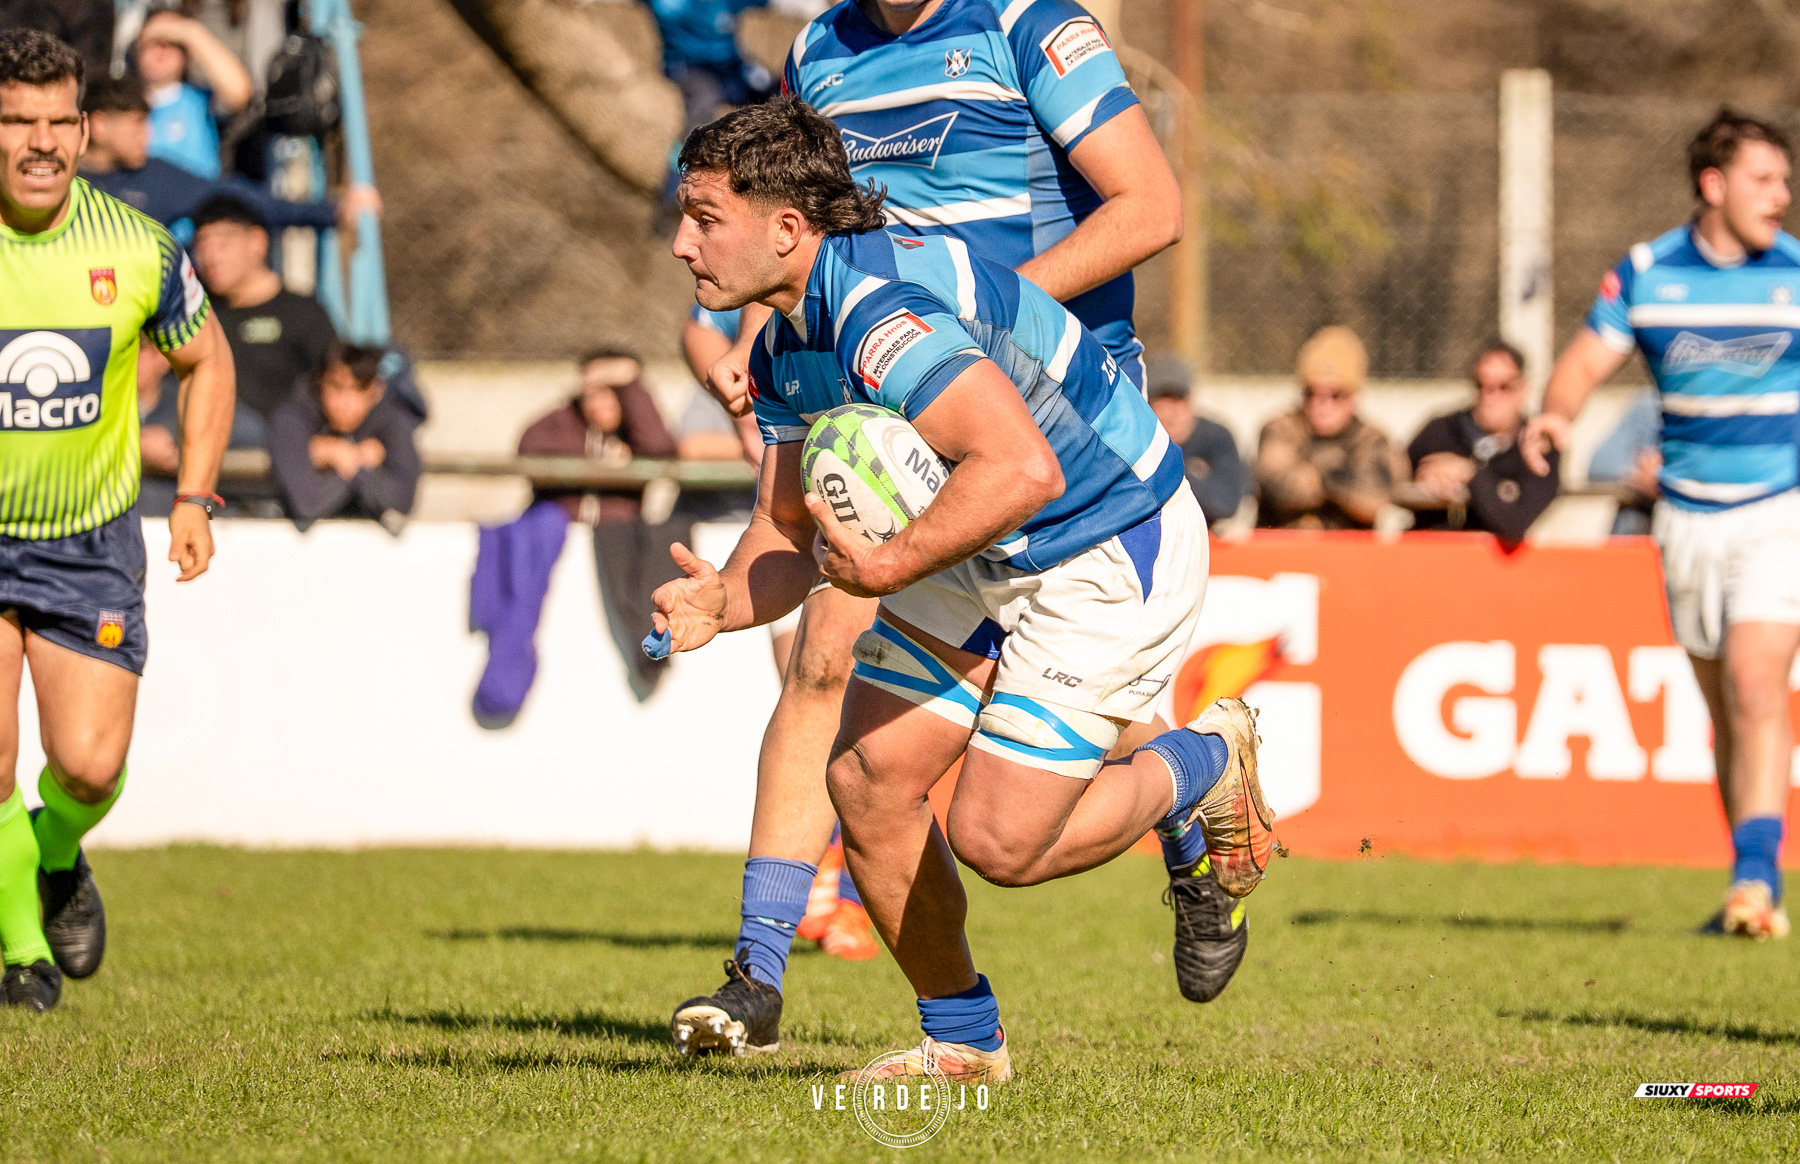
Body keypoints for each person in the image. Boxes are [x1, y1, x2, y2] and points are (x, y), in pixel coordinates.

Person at [656, 99, 1273, 1077]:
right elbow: (784, 531)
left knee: (1000, 842)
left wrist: (891, 564)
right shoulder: (783, 346)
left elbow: (1023, 468)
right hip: (982, 544)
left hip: (1104, 541)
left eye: (703, 217)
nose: (684, 244)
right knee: (866, 781)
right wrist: (721, 603)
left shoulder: (879, 315)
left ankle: (1201, 766)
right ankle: (963, 1044)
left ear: (785, 230)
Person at [1523, 108, 1800, 940]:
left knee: (1758, 682)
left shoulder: (1795, 272)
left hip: (1779, 509)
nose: (1781, 196)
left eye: (1785, 181)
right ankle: (1749, 880)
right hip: (1684, 521)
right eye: (1764, 179)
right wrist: (1554, 420)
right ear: (1713, 186)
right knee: (1725, 706)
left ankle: (1757, 879)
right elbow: (1578, 367)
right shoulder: (1646, 272)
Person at [0, 30, 233, 1011]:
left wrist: (190, 497)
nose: (41, 142)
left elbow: (207, 361)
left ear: (86, 129)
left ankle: (56, 851)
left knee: (89, 768)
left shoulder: (135, 243)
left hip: (88, 541)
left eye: (60, 121)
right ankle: (21, 952)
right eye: (17, 121)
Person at [79, 73, 380, 242]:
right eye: (137, 125)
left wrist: (331, 212)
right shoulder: (57, 178)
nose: (147, 136)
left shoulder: (158, 176)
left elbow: (241, 199)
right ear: (100, 125)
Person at [188, 196, 336, 428]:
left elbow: (338, 385)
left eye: (223, 244)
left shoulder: (303, 313)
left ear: (257, 242)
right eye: (202, 245)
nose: (212, 257)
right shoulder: (195, 314)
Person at [1406, 341, 1559, 543]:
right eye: (1481, 384)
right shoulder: (1440, 433)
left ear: (1524, 389)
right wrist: (1420, 482)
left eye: (1503, 387)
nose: (1490, 396)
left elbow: (1514, 523)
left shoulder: (1537, 446)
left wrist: (1470, 474)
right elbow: (1395, 483)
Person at [1255, 325, 1400, 530]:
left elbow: (1373, 499)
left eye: (1335, 394)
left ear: (1354, 397)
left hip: (1349, 554)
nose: (1321, 405)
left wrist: (1317, 474)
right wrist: (1341, 478)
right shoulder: (1280, 428)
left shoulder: (1371, 437)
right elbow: (1282, 489)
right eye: (1311, 392)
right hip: (1285, 548)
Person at [268, 344, 419, 534]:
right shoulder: (290, 419)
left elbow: (402, 502)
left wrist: (348, 461)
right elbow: (306, 505)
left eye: (358, 389)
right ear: (319, 382)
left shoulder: (394, 421)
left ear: (377, 389)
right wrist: (356, 462)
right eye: (336, 387)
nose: (345, 403)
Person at [132, 7, 250, 178]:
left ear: (189, 54)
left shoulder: (200, 101)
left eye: (174, 43)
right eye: (154, 42)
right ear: (137, 48)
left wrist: (190, 32)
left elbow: (239, 93)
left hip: (198, 200)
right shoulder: (124, 104)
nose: (162, 48)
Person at [1145, 354, 1245, 527]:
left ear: (1191, 402)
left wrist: (1169, 466)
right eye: (1164, 400)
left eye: (1180, 399)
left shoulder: (1216, 437)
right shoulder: (1136, 441)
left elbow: (1226, 505)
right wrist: (1193, 471)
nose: (1174, 411)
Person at [1586, 388, 1660, 536]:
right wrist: (1645, 476)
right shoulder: (1651, 404)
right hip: (1639, 533)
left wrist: (1671, 482)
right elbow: (1599, 466)